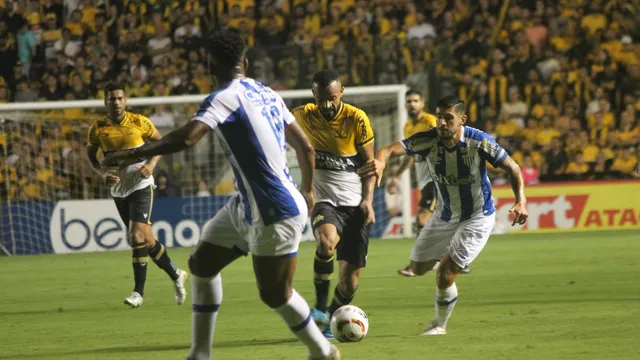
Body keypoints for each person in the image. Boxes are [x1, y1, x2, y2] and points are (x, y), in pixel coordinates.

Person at [103, 31, 339, 360]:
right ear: (244, 63)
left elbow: (187, 138)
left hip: (275, 209)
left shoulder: (224, 97)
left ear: (211, 65)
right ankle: (200, 353)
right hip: (248, 204)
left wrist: (133, 154)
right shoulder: (268, 94)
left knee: (276, 295)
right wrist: (308, 188)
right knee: (201, 264)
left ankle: (324, 351)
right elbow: (306, 148)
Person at [358, 95, 528, 335]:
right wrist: (382, 161)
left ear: (462, 119)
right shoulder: (428, 139)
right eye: (439, 117)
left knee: (445, 273)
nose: (442, 123)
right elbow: (388, 149)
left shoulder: (478, 141)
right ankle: (449, 258)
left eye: (449, 118)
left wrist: (521, 200)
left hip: (476, 217)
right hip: (444, 215)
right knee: (417, 268)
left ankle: (439, 325)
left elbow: (513, 167)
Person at [86, 82, 187, 308]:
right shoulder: (97, 128)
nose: (117, 102)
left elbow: (162, 144)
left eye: (120, 98)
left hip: (141, 184)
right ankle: (176, 274)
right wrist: (102, 172)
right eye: (112, 99)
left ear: (126, 100)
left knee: (134, 238)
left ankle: (138, 292)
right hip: (119, 189)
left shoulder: (139, 122)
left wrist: (151, 165)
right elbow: (91, 154)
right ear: (106, 102)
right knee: (147, 240)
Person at [293, 69, 376, 339]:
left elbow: (370, 166)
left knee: (349, 283)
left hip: (355, 206)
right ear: (313, 96)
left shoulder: (356, 119)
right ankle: (318, 308)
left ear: (341, 92)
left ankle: (329, 314)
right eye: (321, 99)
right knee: (325, 242)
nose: (327, 105)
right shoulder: (302, 115)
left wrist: (368, 201)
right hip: (324, 200)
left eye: (331, 98)